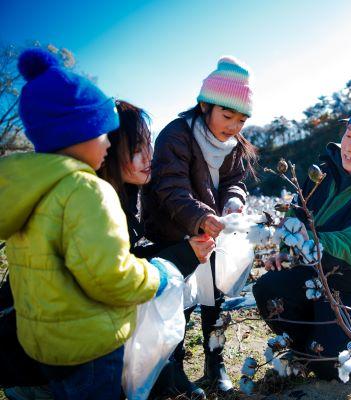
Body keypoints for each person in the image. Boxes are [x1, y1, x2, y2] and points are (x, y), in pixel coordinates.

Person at [0, 48, 170, 400]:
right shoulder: (87, 190)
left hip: (43, 347)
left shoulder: (27, 192)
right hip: (89, 348)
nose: (110, 141)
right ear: (79, 133)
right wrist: (158, 276)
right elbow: (108, 276)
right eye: (103, 133)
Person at [252, 104, 351, 380]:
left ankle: (322, 349)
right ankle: (303, 347)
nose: (350, 146)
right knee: (268, 288)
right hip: (310, 275)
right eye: (349, 135)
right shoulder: (323, 171)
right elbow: (297, 212)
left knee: (332, 366)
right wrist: (287, 251)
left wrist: (312, 242)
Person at [142, 56, 258, 392]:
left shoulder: (234, 145)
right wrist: (200, 218)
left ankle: (215, 363)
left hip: (215, 231)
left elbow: (235, 180)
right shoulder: (176, 135)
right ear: (205, 104)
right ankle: (173, 369)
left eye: (242, 119)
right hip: (176, 232)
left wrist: (234, 201)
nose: (234, 126)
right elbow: (170, 186)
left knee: (215, 298)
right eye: (227, 115)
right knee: (181, 302)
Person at [97, 100, 213, 398]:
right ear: (106, 150)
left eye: (149, 144)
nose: (150, 156)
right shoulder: (97, 202)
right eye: (138, 149)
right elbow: (116, 275)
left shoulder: (134, 191)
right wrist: (183, 255)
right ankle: (160, 377)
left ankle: (167, 370)